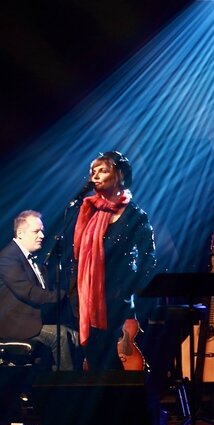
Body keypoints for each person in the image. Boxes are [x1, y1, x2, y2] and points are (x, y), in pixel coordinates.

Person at [72, 151, 157, 371]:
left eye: (103, 170)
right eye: (93, 172)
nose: (95, 176)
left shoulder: (135, 215)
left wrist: (130, 290)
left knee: (114, 363)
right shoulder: (88, 212)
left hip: (119, 301)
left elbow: (149, 259)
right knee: (95, 360)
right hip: (89, 299)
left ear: (118, 175)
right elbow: (78, 255)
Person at [0, 210, 76, 370]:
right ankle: (66, 387)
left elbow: (43, 289)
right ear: (20, 233)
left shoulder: (30, 259)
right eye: (36, 231)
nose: (42, 235)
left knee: (74, 333)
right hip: (14, 325)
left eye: (42, 231)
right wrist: (63, 295)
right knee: (60, 335)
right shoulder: (8, 258)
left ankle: (51, 379)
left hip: (30, 320)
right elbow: (29, 292)